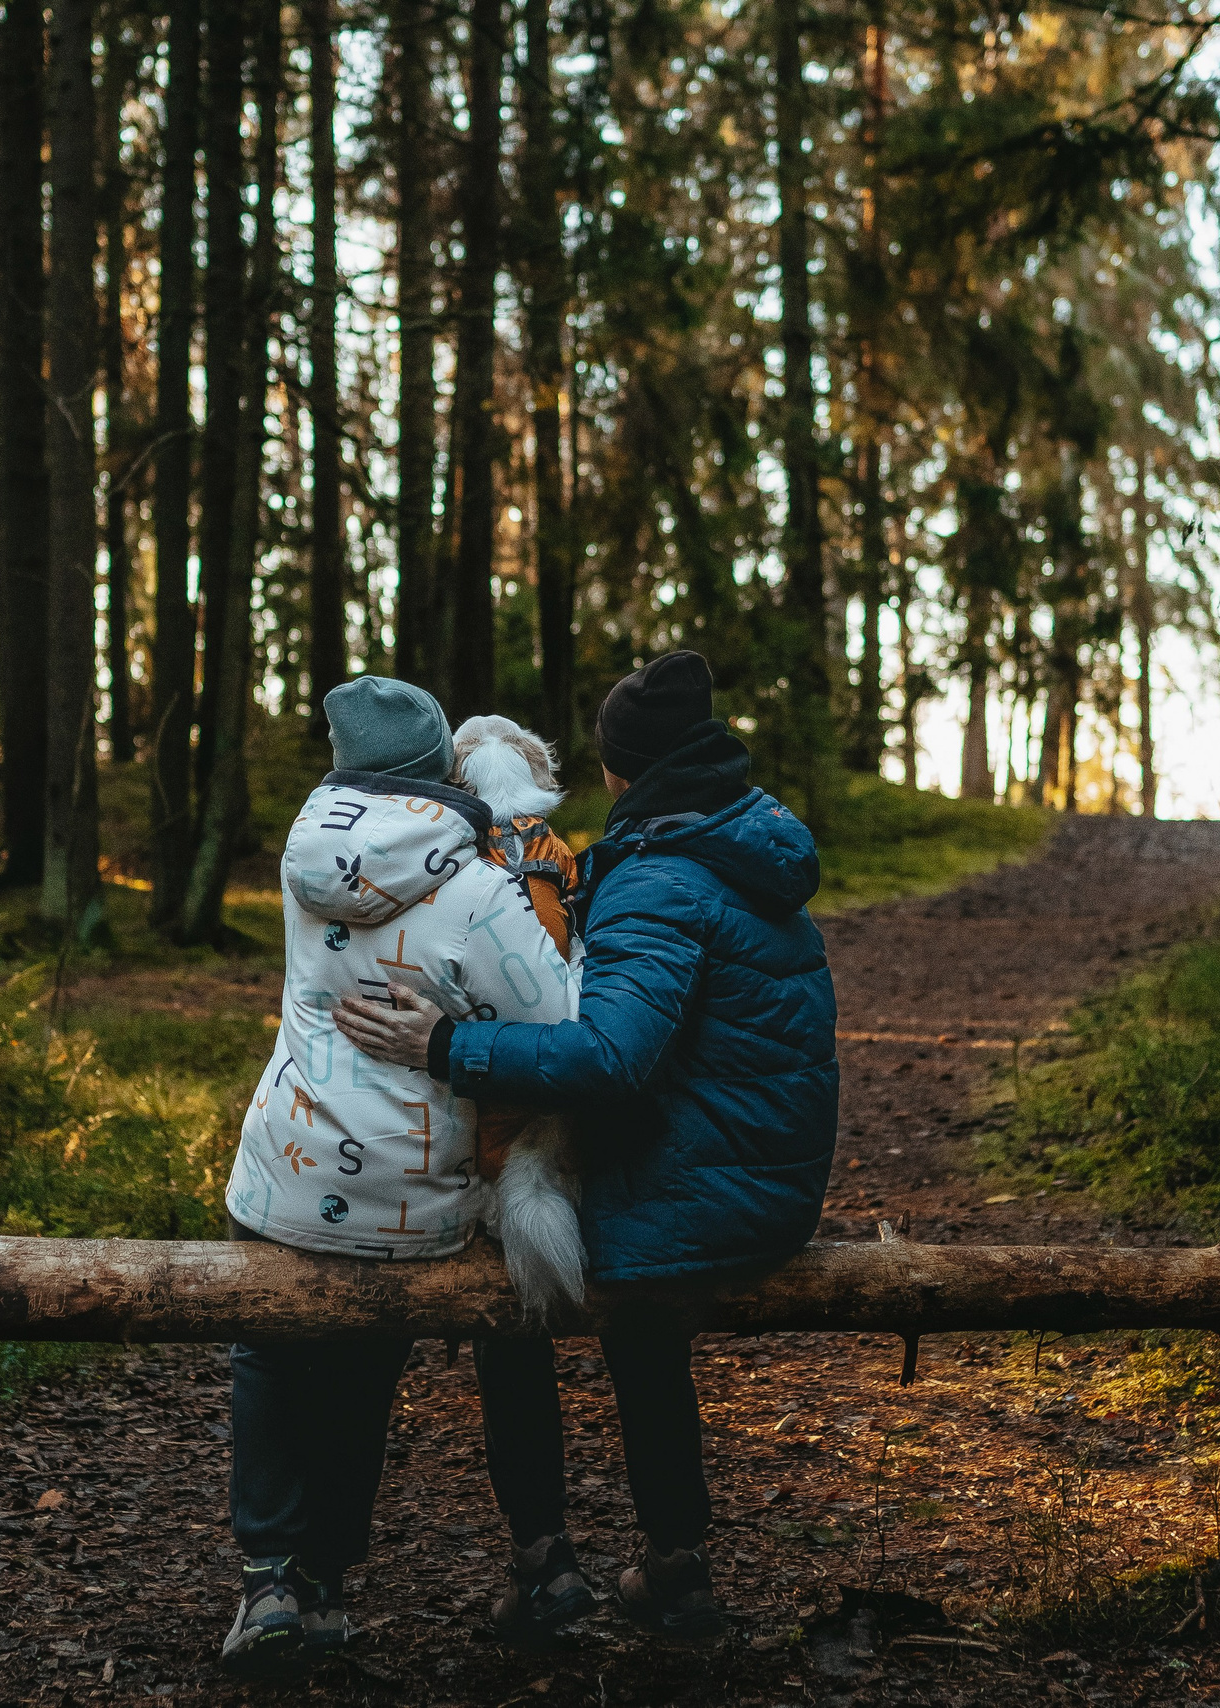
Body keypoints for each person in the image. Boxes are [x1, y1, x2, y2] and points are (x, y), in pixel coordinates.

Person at [334, 650, 840, 1643]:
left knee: (510, 1294)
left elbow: (610, 1057)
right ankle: (676, 1565)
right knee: (634, 1302)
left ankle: (544, 1565)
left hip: (704, 1198)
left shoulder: (657, 877)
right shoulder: (738, 840)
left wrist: (443, 1044)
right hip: (767, 1178)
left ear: (624, 768)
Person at [217, 676, 577, 1678]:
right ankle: (325, 1585)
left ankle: (270, 1580)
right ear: (440, 772)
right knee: (363, 1371)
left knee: (268, 1357)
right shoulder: (478, 889)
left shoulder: (303, 862)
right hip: (406, 1198)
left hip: (281, 1170)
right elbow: (561, 1026)